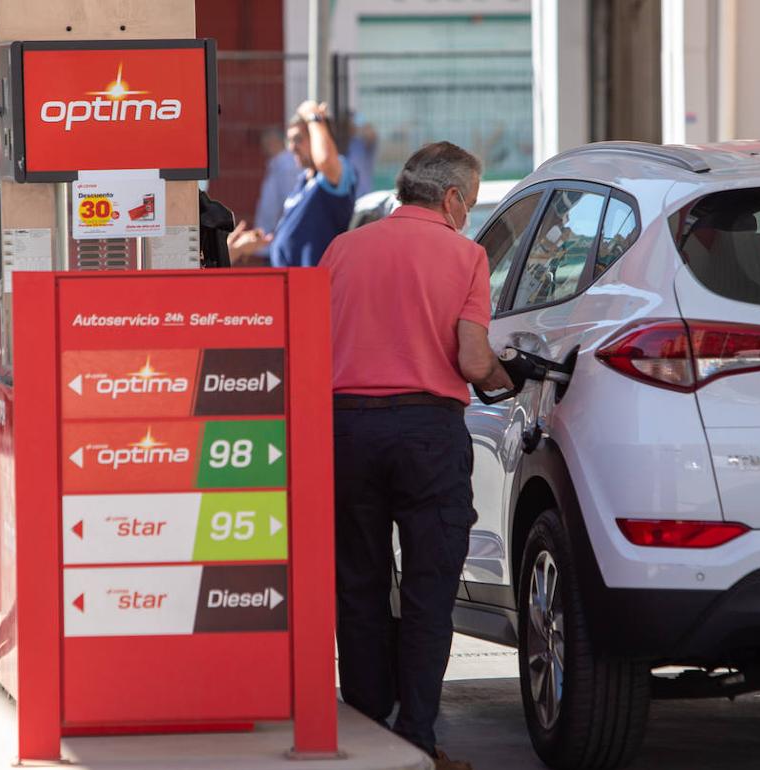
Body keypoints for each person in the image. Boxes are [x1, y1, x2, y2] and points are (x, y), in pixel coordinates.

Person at [320, 142, 513, 770]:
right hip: (428, 433)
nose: (471, 213)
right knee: (430, 589)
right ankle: (419, 739)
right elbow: (473, 361)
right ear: (453, 199)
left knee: (359, 582)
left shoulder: (343, 250)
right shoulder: (467, 255)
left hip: (345, 429)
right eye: (473, 202)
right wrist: (512, 381)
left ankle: (366, 728)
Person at [270, 100, 358, 267]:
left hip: (316, 287)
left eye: (298, 139)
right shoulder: (304, 180)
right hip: (292, 284)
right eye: (289, 140)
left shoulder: (338, 170)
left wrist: (313, 117)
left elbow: (325, 160)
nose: (291, 147)